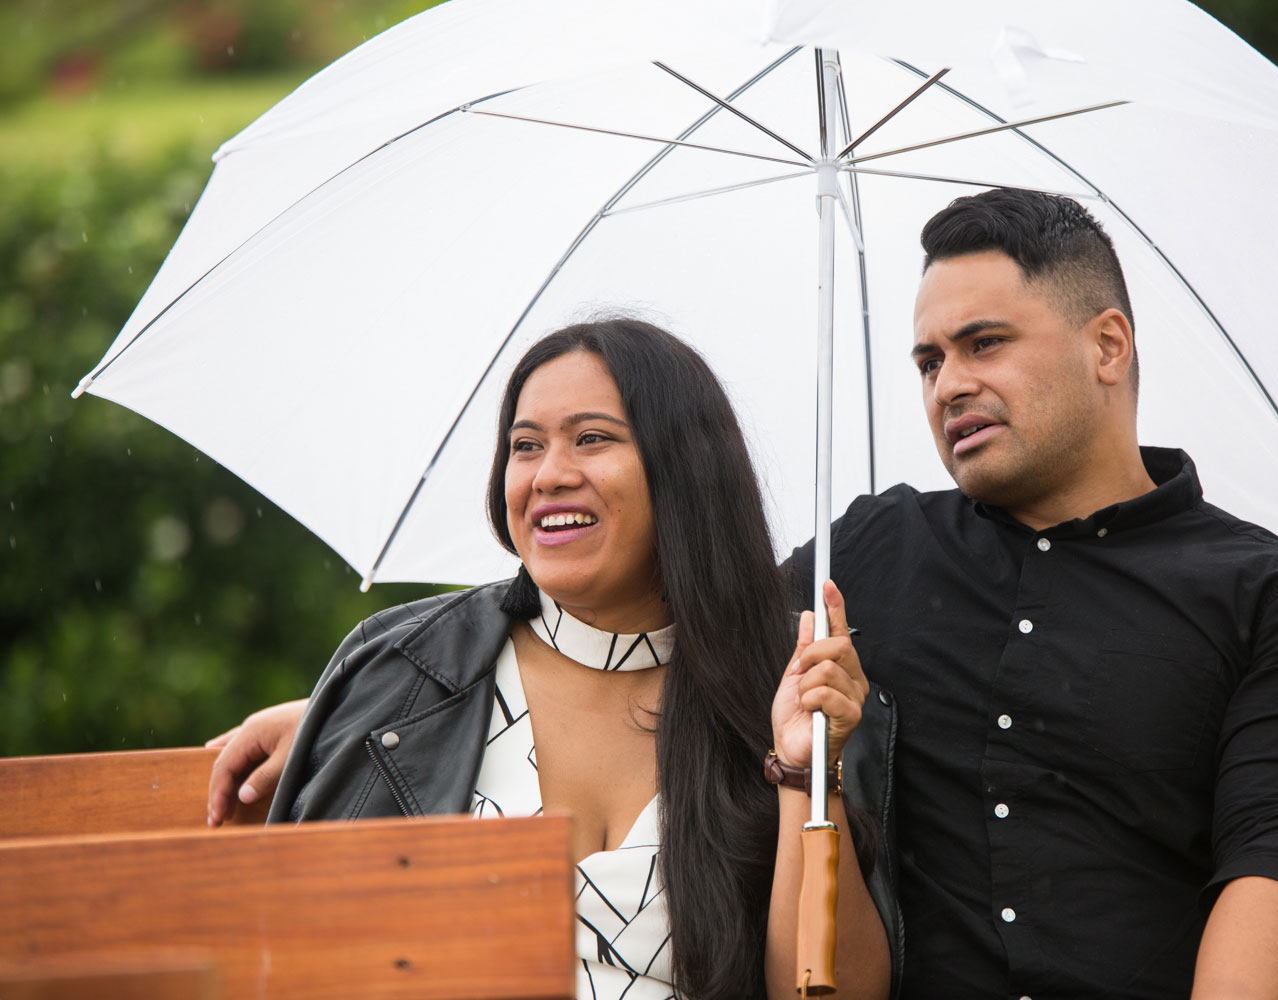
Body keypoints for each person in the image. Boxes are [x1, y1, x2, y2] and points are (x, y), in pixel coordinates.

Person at [210, 190, 1278, 999]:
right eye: (929, 359)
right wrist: (385, 689)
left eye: (986, 343)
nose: (949, 383)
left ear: (1108, 343)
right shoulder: (873, 553)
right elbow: (659, 606)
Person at [234, 319, 892, 1000]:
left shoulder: (793, 687)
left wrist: (801, 773)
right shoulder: (405, 675)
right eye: (525, 446)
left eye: (592, 438)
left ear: (684, 469)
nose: (549, 475)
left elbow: (831, 994)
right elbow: (299, 952)